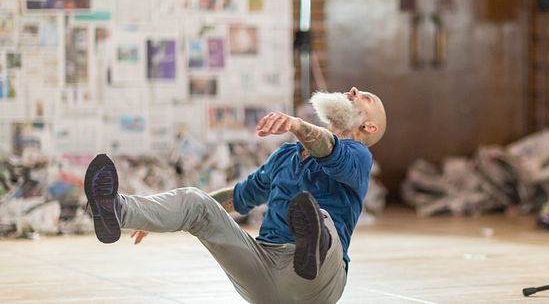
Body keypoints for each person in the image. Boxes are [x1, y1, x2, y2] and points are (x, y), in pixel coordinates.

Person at [84, 87, 386, 303]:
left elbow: (328, 149)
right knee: (194, 201)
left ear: (368, 126)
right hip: (262, 274)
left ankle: (310, 248)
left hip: (319, 284)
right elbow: (241, 196)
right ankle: (116, 210)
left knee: (319, 217)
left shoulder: (358, 156)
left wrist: (295, 124)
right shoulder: (285, 156)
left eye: (366, 98)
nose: (354, 90)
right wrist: (162, 214)